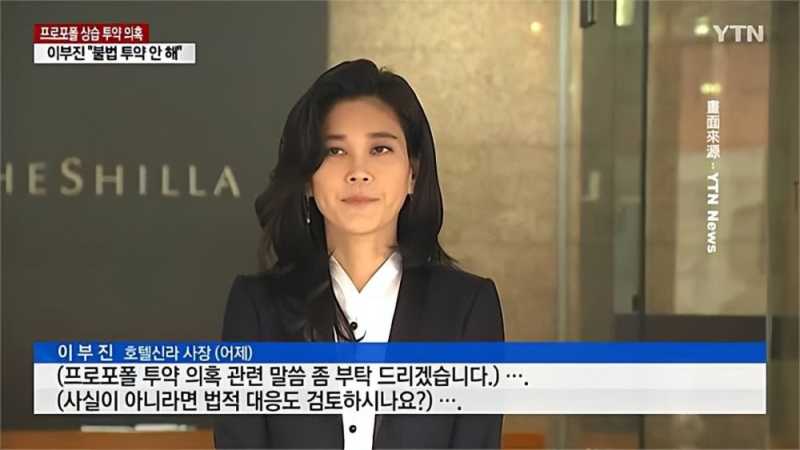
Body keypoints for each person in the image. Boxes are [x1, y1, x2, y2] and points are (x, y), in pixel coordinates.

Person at [214, 58, 505, 449]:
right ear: (307, 179)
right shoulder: (257, 307)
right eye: (335, 151)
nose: (358, 171)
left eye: (380, 149)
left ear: (413, 173)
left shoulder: (467, 308)